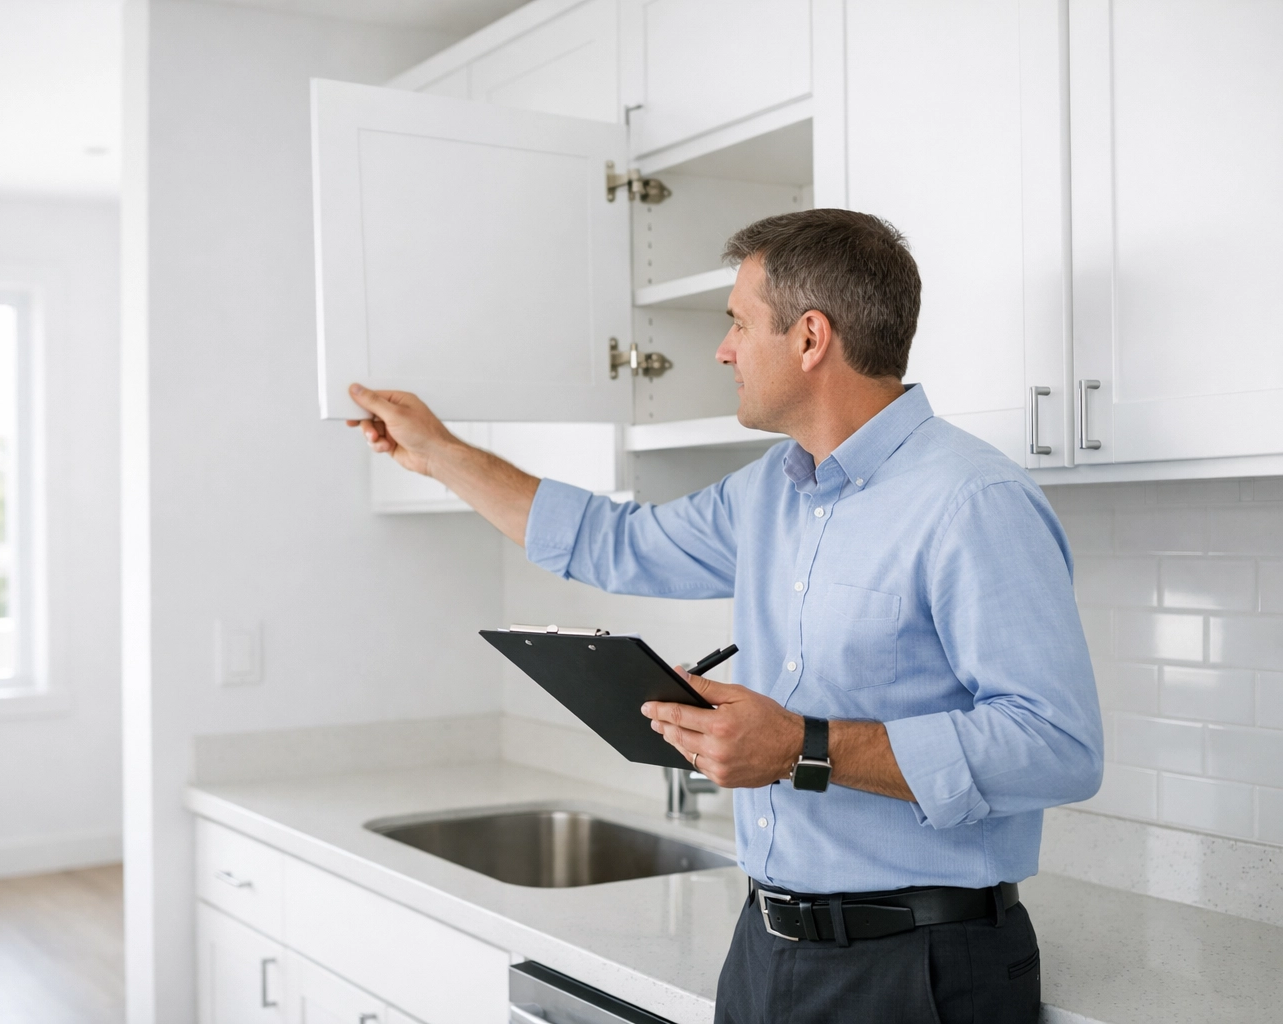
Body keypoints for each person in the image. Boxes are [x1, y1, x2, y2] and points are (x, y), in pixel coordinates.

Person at [345, 208, 1102, 1024]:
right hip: (766, 950)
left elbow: (1057, 747)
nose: (724, 348)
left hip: (917, 969)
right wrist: (443, 452)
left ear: (811, 338)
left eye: (739, 323)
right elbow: (614, 544)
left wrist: (804, 746)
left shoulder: (972, 501)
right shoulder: (769, 493)